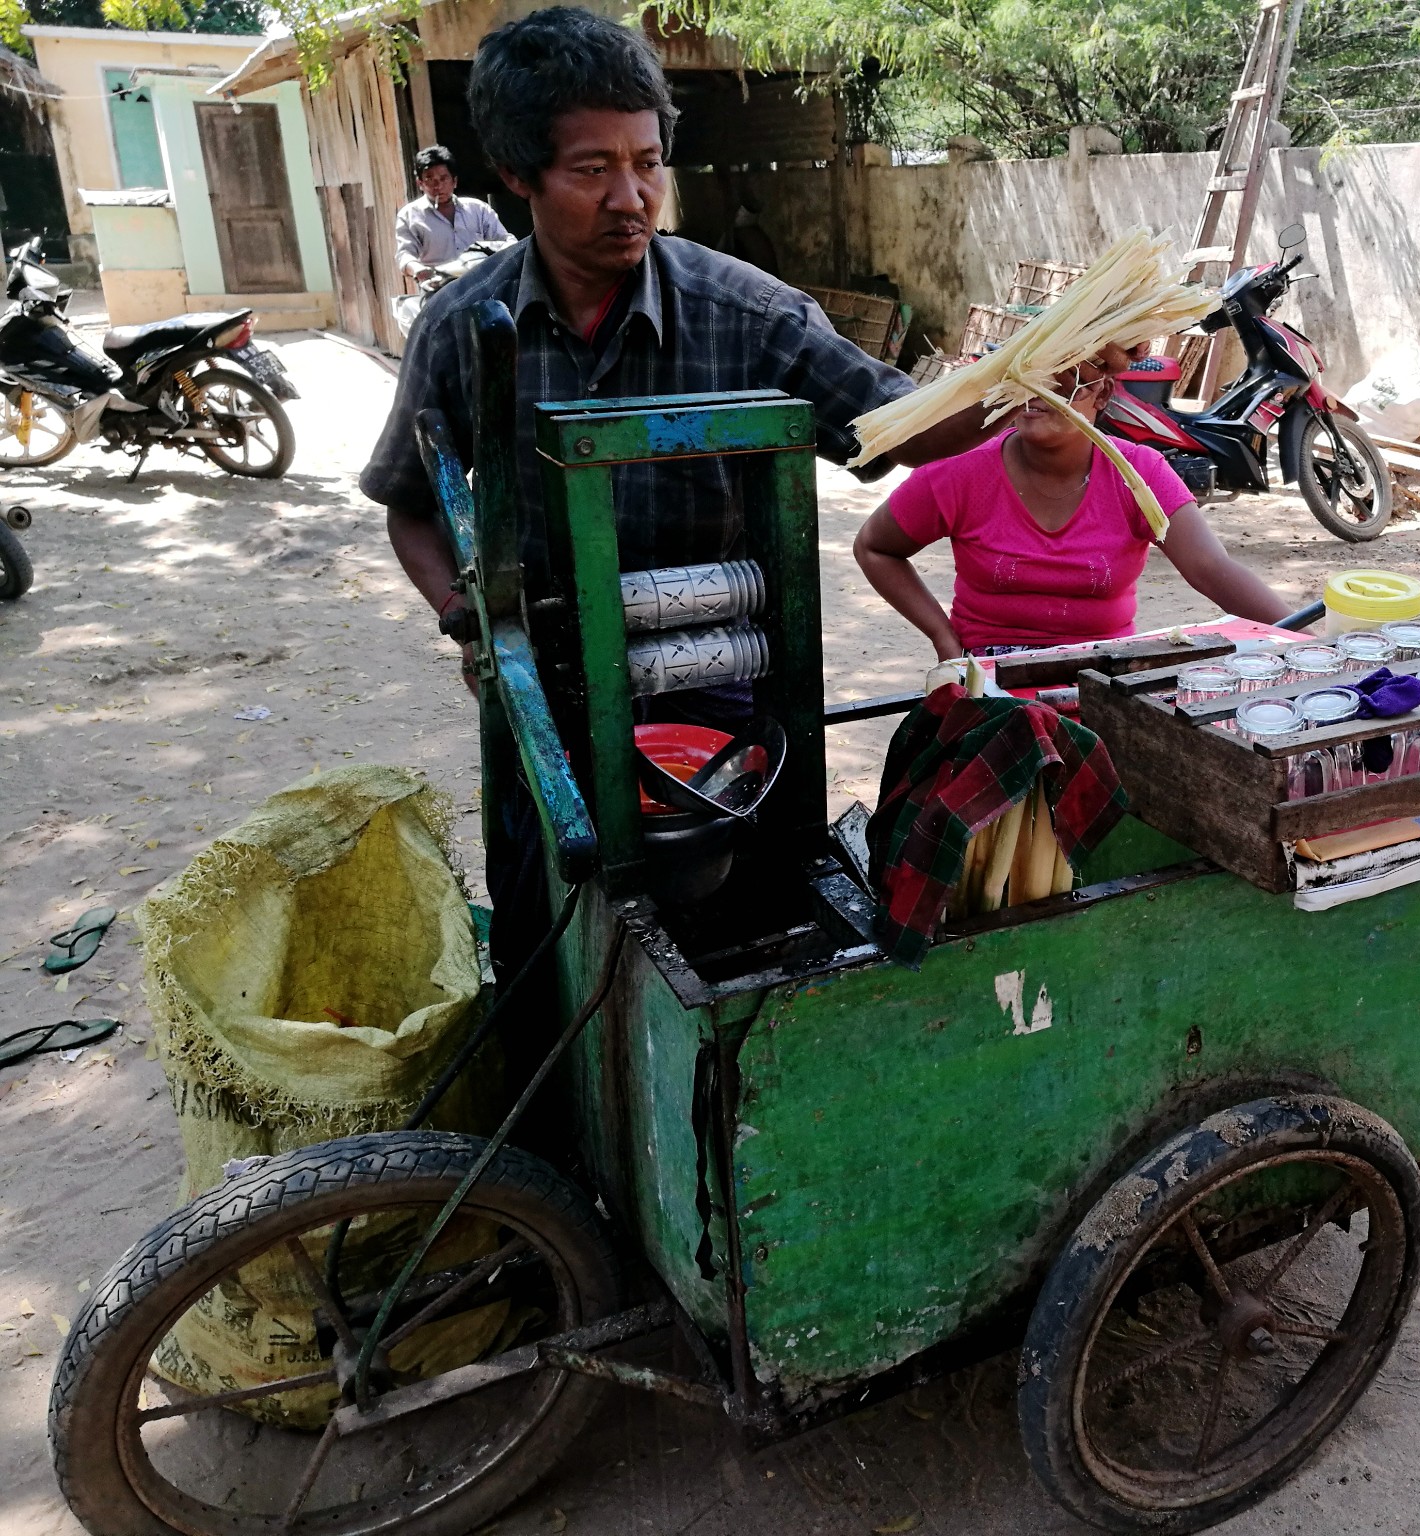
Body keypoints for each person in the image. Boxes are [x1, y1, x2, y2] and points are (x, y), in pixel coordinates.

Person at [359, 7, 1001, 983]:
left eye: (648, 162)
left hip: (722, 706)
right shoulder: (461, 327)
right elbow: (410, 502)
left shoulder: (744, 312)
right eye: (591, 169)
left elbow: (896, 424)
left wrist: (1031, 385)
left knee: (740, 948)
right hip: (546, 705)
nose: (631, 197)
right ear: (519, 176)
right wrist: (468, 619)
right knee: (550, 944)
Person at [853, 362, 1292, 657]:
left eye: (1062, 382)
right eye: (1024, 378)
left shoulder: (1137, 473)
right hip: (987, 675)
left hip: (1100, 675)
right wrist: (943, 637)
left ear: (1100, 393)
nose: (1037, 394)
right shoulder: (961, 472)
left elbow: (1212, 568)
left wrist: (1306, 640)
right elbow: (875, 547)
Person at [394, 145, 511, 286]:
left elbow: (506, 240)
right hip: (439, 288)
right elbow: (405, 255)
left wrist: (494, 251)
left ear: (454, 181)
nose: (438, 186)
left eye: (443, 179)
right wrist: (418, 269)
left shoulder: (478, 209)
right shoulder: (409, 216)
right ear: (420, 184)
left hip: (482, 284)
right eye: (430, 179)